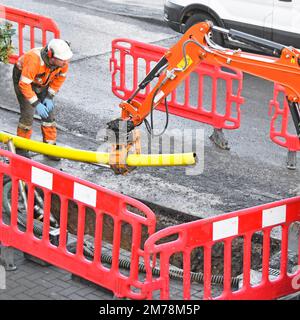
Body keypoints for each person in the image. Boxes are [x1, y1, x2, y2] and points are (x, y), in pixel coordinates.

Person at [12, 38, 73, 160]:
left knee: (49, 116)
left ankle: (50, 147)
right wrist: (36, 103)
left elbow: (60, 78)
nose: (66, 62)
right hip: (24, 81)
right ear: (51, 56)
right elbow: (24, 84)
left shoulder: (62, 63)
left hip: (42, 82)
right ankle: (21, 149)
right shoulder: (33, 60)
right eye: (63, 60)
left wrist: (49, 96)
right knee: (27, 116)